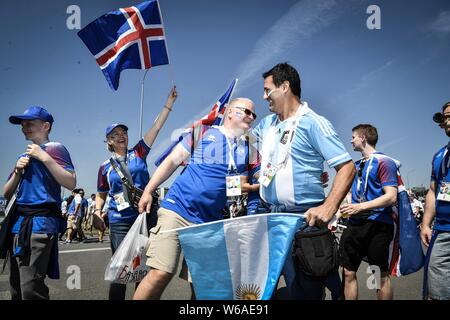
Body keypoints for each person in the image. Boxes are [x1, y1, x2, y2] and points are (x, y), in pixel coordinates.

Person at [133, 97, 259, 300]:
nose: (251, 116)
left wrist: (262, 182)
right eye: (246, 111)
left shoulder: (248, 148)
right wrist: (148, 190)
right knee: (161, 273)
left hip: (209, 221)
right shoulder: (204, 132)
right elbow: (173, 161)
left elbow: (239, 183)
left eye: (254, 114)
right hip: (178, 209)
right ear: (228, 112)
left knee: (202, 283)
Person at [251, 62, 355, 300]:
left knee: (307, 291)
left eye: (267, 90)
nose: (263, 96)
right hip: (273, 219)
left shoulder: (312, 122)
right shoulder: (267, 124)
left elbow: (347, 167)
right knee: (275, 290)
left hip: (304, 221)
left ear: (285, 87)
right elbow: (240, 141)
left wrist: (328, 207)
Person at [93, 86, 177, 300]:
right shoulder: (105, 166)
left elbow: (156, 128)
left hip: (145, 216)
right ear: (109, 141)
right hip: (120, 220)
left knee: (143, 267)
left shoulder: (139, 151)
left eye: (124, 132)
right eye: (115, 134)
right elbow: (102, 193)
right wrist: (96, 212)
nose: (121, 136)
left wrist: (168, 104)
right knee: (121, 269)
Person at [0, 106, 76, 300]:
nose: (24, 127)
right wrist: (17, 171)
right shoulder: (22, 156)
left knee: (31, 288)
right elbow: (6, 192)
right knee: (16, 286)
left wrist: (44, 157)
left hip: (40, 224)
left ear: (46, 126)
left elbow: (70, 181)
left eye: (29, 123)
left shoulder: (54, 148)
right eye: (22, 124)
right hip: (18, 225)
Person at [339, 124, 398, 300]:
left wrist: (360, 207)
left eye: (353, 137)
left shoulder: (385, 161)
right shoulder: (355, 165)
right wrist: (346, 205)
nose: (351, 140)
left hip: (377, 224)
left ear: (363, 137)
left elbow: (391, 197)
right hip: (354, 224)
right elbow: (350, 193)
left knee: (377, 276)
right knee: (348, 272)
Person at [421, 101, 450, 300]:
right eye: (444, 116)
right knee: (436, 291)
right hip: (443, 229)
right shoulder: (440, 155)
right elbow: (433, 191)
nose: (446, 120)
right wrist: (425, 224)